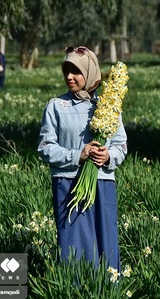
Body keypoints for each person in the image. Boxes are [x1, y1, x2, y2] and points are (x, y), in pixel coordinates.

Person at [37, 46, 127, 271]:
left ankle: (107, 294)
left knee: (105, 243)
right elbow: (45, 147)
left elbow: (121, 145)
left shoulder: (108, 106)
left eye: (76, 71)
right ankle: (74, 293)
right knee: (73, 246)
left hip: (103, 182)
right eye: (66, 71)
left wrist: (108, 156)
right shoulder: (56, 106)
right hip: (68, 184)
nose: (69, 77)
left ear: (90, 73)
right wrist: (78, 155)